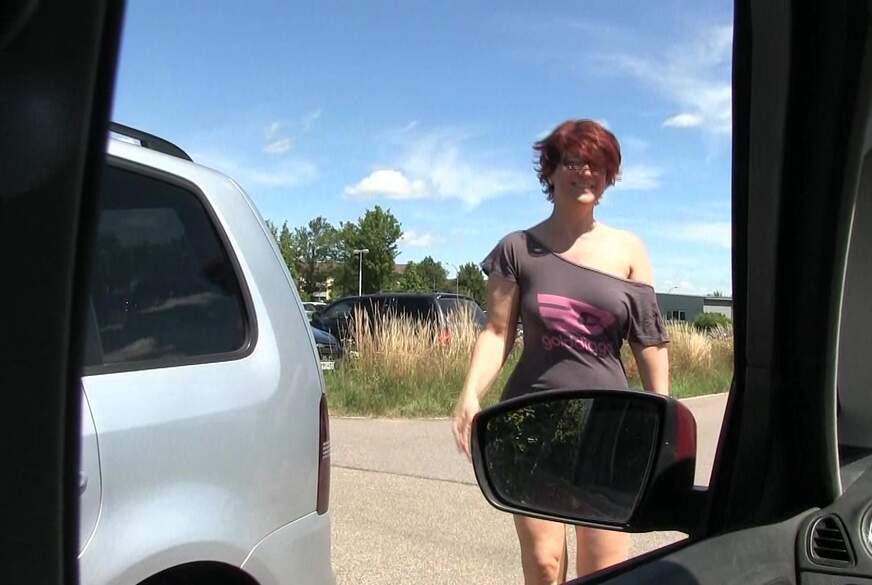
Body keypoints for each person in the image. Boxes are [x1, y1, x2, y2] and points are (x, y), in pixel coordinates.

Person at [452, 119, 670, 584]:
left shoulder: (629, 250)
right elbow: (496, 332)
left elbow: (649, 340)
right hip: (531, 420)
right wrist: (470, 393)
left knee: (604, 568)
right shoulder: (517, 249)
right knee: (545, 563)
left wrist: (662, 415)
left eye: (598, 164)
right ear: (550, 171)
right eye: (572, 162)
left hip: (608, 424)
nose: (585, 172)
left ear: (609, 176)